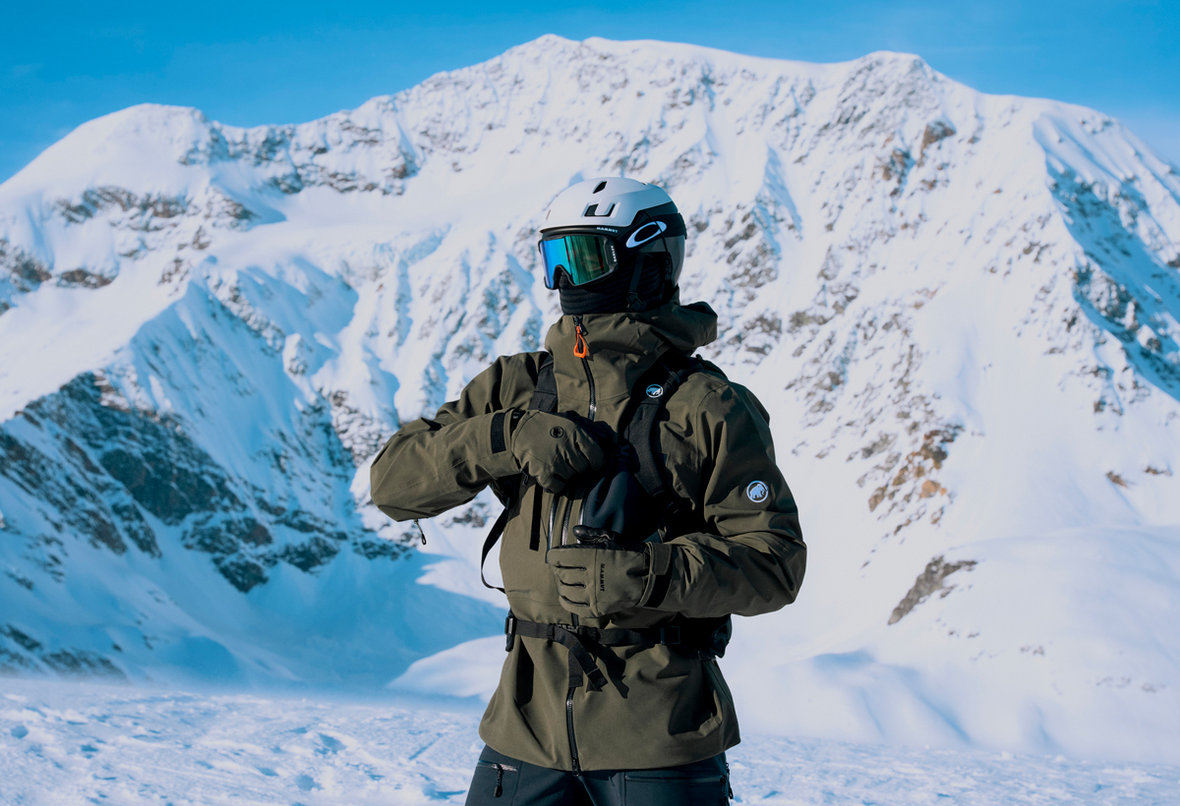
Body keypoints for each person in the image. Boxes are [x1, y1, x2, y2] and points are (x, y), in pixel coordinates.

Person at [370, 177, 806, 805]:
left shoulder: (708, 406)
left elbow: (776, 563)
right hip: (523, 733)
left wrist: (649, 576)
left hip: (658, 740)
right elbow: (391, 485)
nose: (565, 280)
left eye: (584, 257)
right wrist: (501, 437)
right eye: (555, 258)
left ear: (647, 261)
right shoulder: (516, 386)